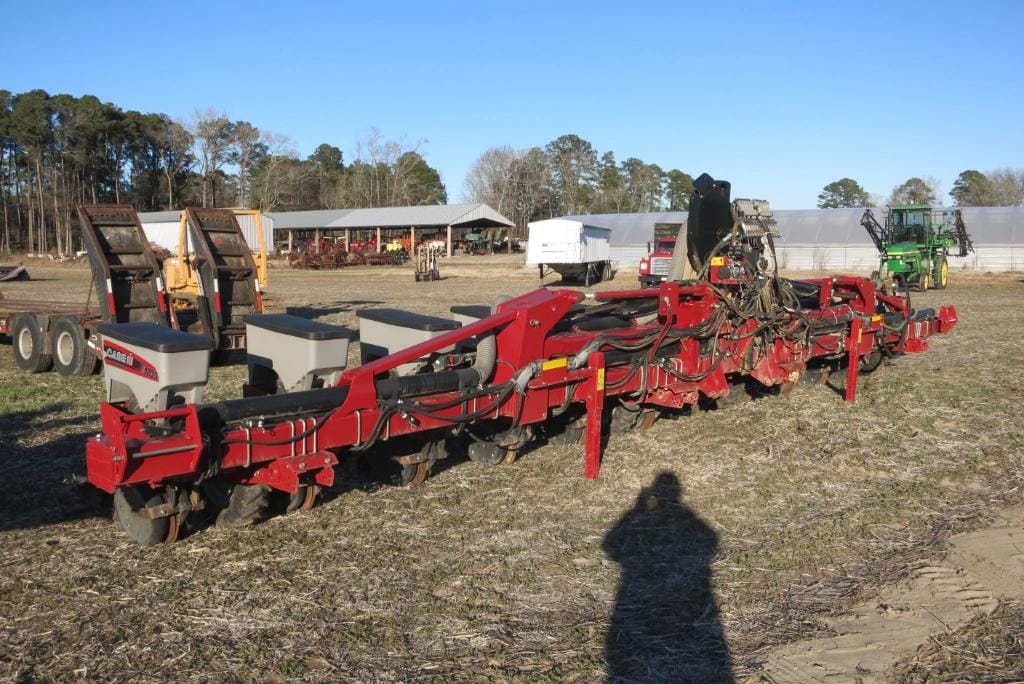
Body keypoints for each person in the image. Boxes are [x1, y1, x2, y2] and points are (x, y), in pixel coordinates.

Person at [602, 472, 732, 682]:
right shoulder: (694, 522)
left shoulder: (682, 521)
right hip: (678, 587)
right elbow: (711, 540)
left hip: (646, 587)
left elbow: (609, 545)